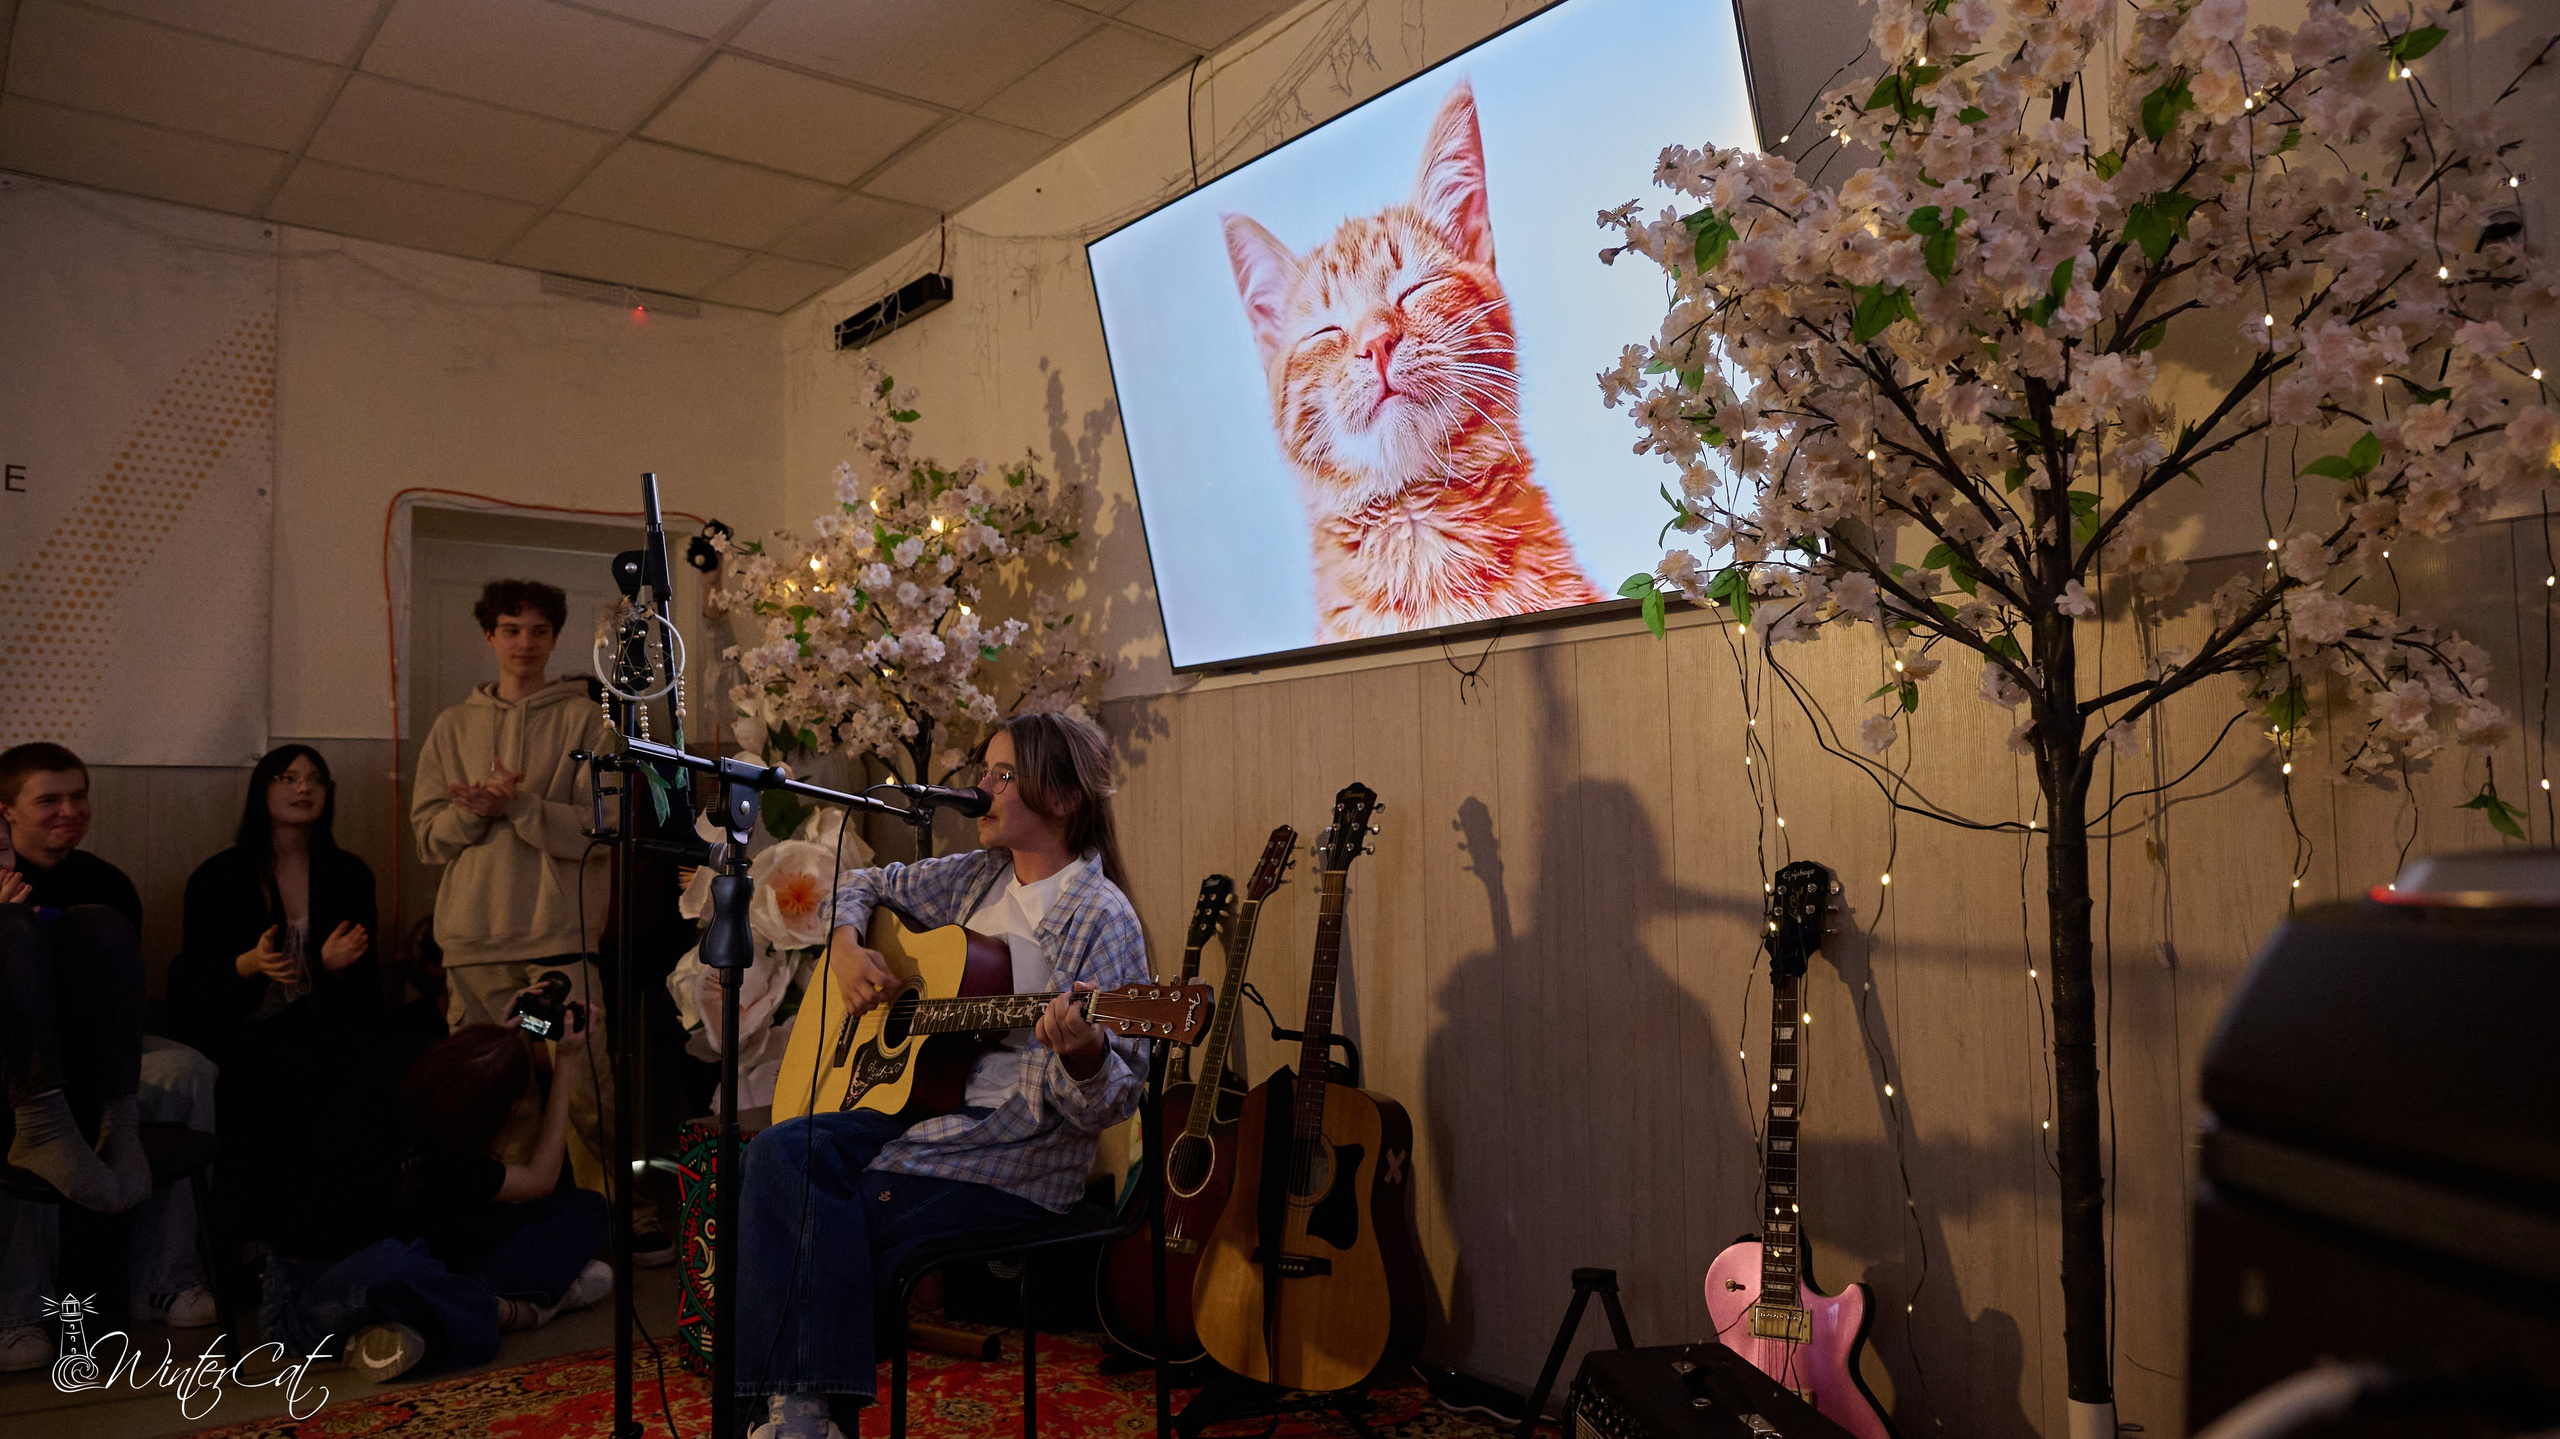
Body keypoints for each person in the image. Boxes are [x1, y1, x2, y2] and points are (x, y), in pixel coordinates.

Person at [731, 711, 1149, 1439]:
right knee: (775, 1151)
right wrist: (846, 948)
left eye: (1003, 775)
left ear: (1063, 797)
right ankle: (798, 1416)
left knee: (812, 1202)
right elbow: (860, 882)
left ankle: (796, 1415)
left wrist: (1082, 1052)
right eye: (983, 771)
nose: (980, 787)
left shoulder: (1100, 916)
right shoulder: (975, 879)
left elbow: (1114, 1098)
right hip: (916, 1116)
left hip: (1008, 1156)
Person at [409, 578, 670, 1264]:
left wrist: (519, 807)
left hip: (558, 936)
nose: (523, 642)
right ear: (489, 636)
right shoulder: (451, 727)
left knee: (584, 1081)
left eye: (536, 631)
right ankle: (517, 1219)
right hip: (471, 942)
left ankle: (619, 1208)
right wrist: (473, 811)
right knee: (498, 1088)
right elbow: (427, 837)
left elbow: (605, 825)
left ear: (554, 640)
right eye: (510, 629)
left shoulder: (589, 720)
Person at [0, 742, 217, 1369]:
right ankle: (18, 1312)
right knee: (32, 1103)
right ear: (8, 812)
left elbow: (117, 1001)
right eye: (48, 800)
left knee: (190, 1071)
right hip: (22, 1062)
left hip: (102, 1051)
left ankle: (167, 1279)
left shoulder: (105, 883)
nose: (69, 811)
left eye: (78, 796)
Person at [259, 1010, 613, 1384]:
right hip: (313, 1292)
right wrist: (511, 1311)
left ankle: (433, 1319)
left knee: (588, 1208)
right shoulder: (385, 1085)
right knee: (397, 1264)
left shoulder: (449, 1155)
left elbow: (540, 1183)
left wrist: (536, 1047)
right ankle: (519, 1309)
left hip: (423, 1258)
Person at [166, 745, 390, 1260]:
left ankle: (336, 1237)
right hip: (243, 1031)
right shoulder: (219, 875)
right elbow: (192, 981)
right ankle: (251, 1240)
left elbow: (365, 981)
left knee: (362, 1073)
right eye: (287, 778)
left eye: (314, 779)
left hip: (328, 1025)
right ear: (262, 790)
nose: (302, 789)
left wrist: (328, 969)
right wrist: (248, 964)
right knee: (270, 1073)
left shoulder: (349, 872)